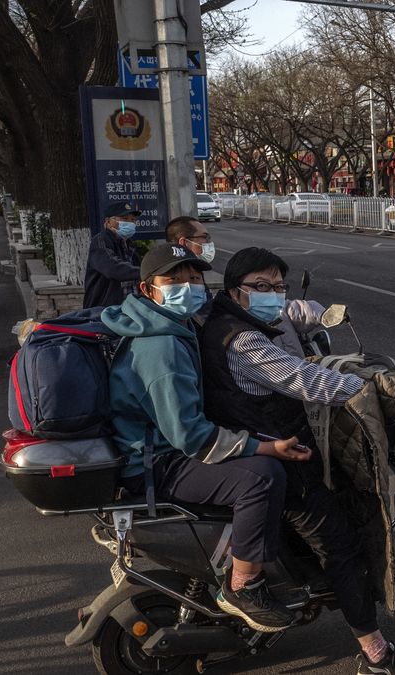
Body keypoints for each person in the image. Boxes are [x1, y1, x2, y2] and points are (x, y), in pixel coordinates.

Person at [197, 247, 395, 675]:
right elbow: (301, 379)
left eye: (278, 287)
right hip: (284, 459)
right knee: (340, 546)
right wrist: (371, 390)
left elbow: (294, 362)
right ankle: (376, 652)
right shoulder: (243, 341)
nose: (273, 295)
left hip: (269, 445)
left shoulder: (226, 323)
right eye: (261, 287)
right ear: (235, 292)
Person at [102, 243, 308, 633]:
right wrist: (264, 447)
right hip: (156, 463)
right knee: (261, 477)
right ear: (148, 289)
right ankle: (243, 586)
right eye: (174, 280)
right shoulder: (160, 346)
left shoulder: (168, 324)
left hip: (159, 450)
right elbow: (191, 437)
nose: (189, 286)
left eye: (194, 278)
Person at [83, 202, 142, 308]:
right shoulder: (101, 240)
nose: (130, 223)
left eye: (133, 220)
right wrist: (145, 271)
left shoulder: (130, 245)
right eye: (124, 219)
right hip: (104, 311)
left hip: (130, 309)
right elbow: (113, 268)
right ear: (108, 222)